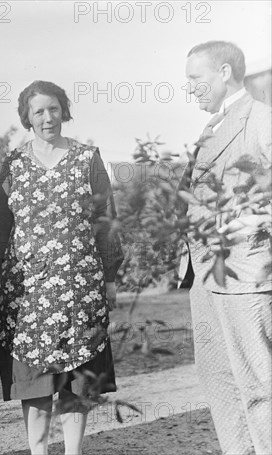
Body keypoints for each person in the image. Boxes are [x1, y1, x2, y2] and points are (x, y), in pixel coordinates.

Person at [0, 80, 123, 455]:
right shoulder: (13, 164)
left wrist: (109, 278)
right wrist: (3, 278)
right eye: (38, 111)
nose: (48, 118)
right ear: (27, 119)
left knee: (75, 379)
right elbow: (3, 228)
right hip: (27, 293)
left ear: (64, 110)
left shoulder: (87, 159)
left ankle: (73, 451)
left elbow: (104, 220)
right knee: (34, 382)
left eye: (53, 109)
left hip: (78, 289)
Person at [180, 41, 271, 454]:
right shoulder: (212, 127)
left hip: (246, 276)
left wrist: (251, 222)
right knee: (220, 381)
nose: (192, 89)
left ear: (224, 73)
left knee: (259, 385)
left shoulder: (262, 118)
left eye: (196, 79)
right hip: (206, 277)